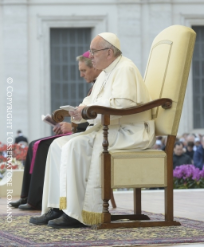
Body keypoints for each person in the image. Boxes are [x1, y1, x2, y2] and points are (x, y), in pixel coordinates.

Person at [30, 32, 155, 228]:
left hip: (128, 131)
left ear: (109, 52)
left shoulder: (125, 69)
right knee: (57, 145)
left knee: (74, 146)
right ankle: (58, 207)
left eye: (94, 52)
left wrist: (88, 112)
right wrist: (78, 112)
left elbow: (122, 106)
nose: (91, 56)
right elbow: (90, 102)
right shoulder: (105, 72)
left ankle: (75, 212)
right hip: (106, 127)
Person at [9, 52, 101, 210]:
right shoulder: (95, 87)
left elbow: (100, 119)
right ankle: (26, 196)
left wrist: (73, 127)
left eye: (84, 71)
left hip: (89, 134)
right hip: (81, 131)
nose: (81, 75)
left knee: (44, 146)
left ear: (95, 68)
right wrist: (69, 123)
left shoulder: (100, 86)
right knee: (33, 144)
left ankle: (35, 200)